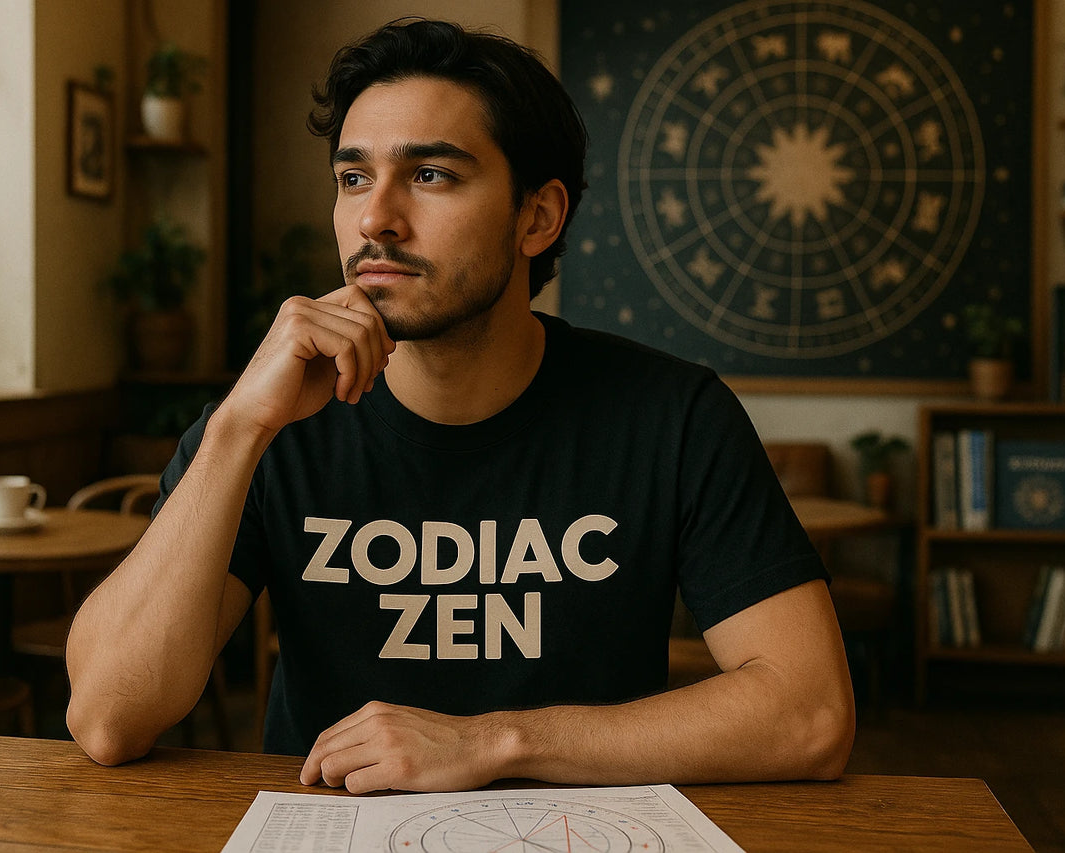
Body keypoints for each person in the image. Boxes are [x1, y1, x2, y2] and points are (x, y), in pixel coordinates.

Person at [65, 17, 855, 794]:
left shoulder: (673, 415)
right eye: (353, 177)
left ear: (537, 218)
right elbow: (108, 718)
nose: (375, 217)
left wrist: (493, 741)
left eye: (431, 174)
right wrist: (239, 428)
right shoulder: (269, 424)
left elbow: (810, 714)